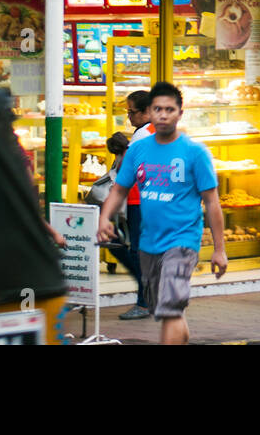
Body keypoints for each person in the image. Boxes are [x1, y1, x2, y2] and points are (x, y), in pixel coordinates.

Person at [97, 81, 226, 345]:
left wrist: (219, 249)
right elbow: (120, 189)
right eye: (158, 109)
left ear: (180, 113)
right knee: (167, 312)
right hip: (149, 243)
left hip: (181, 243)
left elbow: (212, 202)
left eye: (170, 109)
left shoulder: (195, 153)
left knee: (169, 312)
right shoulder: (139, 150)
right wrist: (104, 218)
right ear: (150, 113)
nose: (164, 115)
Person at [106, 90, 153, 320]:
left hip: (139, 200)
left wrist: (122, 150)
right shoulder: (153, 130)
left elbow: (132, 168)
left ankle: (145, 302)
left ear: (146, 112)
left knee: (132, 250)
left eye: (132, 112)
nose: (129, 117)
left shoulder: (143, 134)